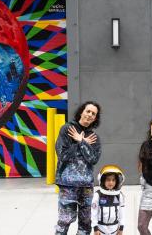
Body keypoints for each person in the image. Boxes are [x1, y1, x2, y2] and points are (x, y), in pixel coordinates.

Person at [55, 101, 102, 235]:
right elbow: (62, 155)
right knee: (64, 220)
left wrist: (82, 142)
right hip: (67, 184)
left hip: (86, 186)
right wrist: (79, 142)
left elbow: (93, 159)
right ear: (81, 112)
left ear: (95, 118)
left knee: (86, 223)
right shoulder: (67, 129)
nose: (90, 115)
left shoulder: (94, 137)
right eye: (88, 111)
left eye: (93, 114)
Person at [91, 165, 126, 235]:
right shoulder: (98, 195)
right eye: (108, 180)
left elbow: (122, 213)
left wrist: (121, 227)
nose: (111, 183)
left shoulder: (119, 195)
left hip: (115, 229)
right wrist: (95, 228)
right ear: (103, 180)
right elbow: (94, 212)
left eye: (113, 180)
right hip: (101, 229)